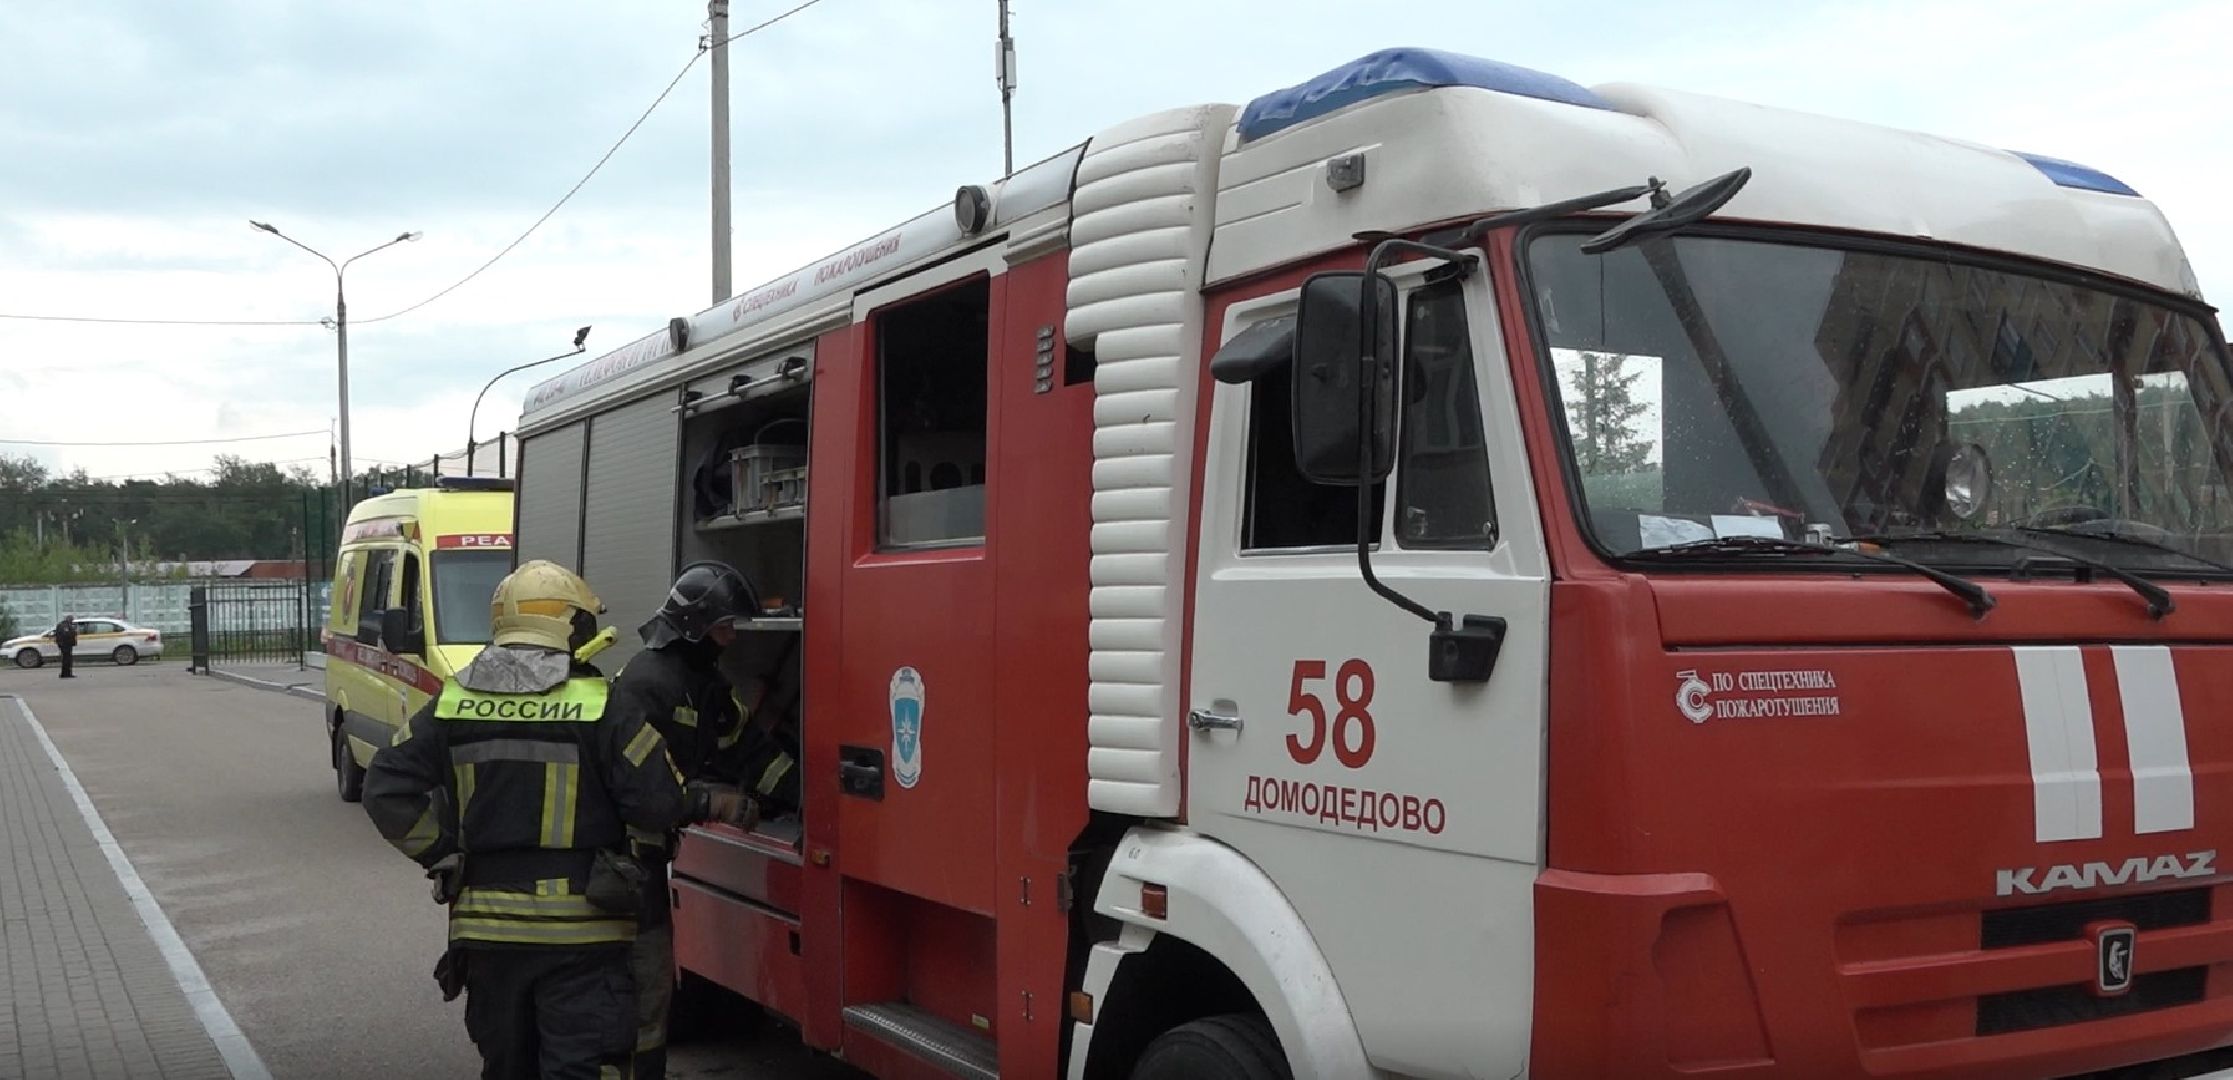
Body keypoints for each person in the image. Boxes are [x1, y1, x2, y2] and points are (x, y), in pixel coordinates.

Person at [361, 560, 755, 1080]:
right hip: (585, 935)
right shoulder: (603, 707)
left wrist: (442, 852)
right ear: (568, 625)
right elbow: (658, 804)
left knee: (508, 1068)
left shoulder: (453, 705)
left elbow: (384, 786)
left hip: (488, 933)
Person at [605, 561, 764, 1080]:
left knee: (650, 996)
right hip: (622, 863)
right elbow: (641, 792)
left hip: (647, 862)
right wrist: (708, 802)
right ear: (695, 627)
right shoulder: (646, 685)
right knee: (642, 990)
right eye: (724, 626)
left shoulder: (702, 684)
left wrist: (801, 791)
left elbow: (746, 749)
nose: (731, 637)